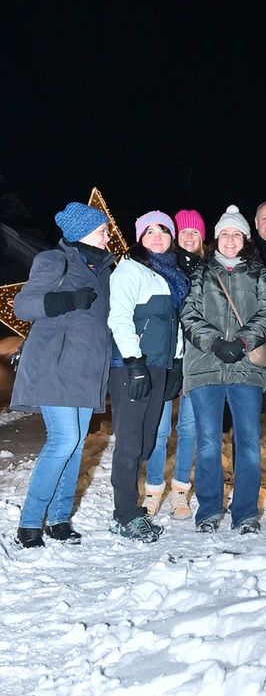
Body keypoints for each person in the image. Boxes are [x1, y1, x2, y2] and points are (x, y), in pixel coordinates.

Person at [11, 202, 115, 547]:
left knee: (74, 446)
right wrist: (67, 299)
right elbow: (23, 306)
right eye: (102, 229)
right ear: (83, 232)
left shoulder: (103, 268)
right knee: (62, 442)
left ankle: (58, 520)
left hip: (87, 370)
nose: (108, 234)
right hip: (54, 366)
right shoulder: (54, 260)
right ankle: (29, 524)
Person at [180, 204, 266, 534]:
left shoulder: (258, 272)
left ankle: (245, 512)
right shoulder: (201, 273)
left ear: (246, 238)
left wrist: (243, 341)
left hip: (245, 369)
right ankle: (208, 510)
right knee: (208, 441)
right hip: (205, 366)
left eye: (237, 233)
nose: (231, 239)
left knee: (248, 441)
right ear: (216, 238)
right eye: (225, 233)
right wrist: (215, 343)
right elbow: (189, 314)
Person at [106, 210, 188, 543]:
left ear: (171, 236)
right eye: (149, 231)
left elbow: (174, 325)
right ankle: (124, 515)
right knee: (128, 444)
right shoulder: (130, 269)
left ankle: (130, 510)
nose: (157, 236)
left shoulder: (170, 276)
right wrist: (133, 362)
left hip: (160, 366)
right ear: (139, 237)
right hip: (132, 368)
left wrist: (177, 363)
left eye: (163, 231)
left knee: (145, 443)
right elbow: (119, 318)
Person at [142, 208, 206, 520]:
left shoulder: (209, 268)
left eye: (195, 231)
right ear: (176, 237)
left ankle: (180, 491)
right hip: (166, 358)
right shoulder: (166, 268)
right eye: (184, 232)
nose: (190, 237)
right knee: (158, 428)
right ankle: (153, 489)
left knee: (190, 426)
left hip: (197, 359)